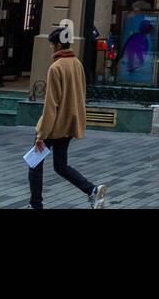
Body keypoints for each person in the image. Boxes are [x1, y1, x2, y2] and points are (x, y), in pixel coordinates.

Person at [30, 26, 107, 209]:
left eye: (51, 45)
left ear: (57, 45)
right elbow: (81, 94)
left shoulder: (56, 67)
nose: (50, 48)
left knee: (34, 164)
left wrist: (41, 134)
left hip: (53, 126)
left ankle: (36, 204)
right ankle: (92, 190)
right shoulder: (77, 63)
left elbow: (51, 104)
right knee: (60, 165)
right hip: (69, 124)